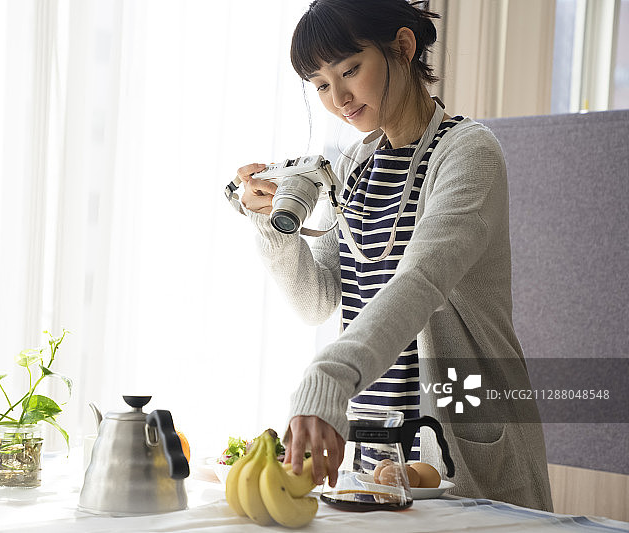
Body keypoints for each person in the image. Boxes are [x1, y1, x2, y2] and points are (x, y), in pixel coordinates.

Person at [234, 0, 553, 511]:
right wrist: (272, 229)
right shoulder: (359, 164)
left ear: (402, 48)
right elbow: (319, 300)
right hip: (378, 454)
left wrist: (327, 376)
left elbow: (422, 281)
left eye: (350, 70)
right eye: (320, 84)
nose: (337, 97)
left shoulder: (467, 152)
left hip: (458, 442)